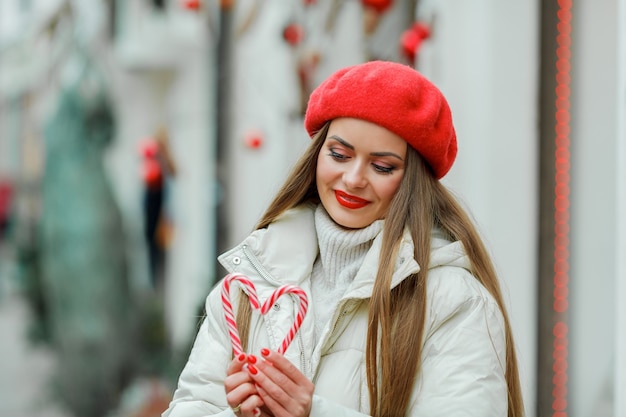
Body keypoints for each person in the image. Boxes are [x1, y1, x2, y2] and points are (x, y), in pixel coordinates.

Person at [163, 60, 524, 417]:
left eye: (382, 166)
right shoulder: (250, 285)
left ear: (414, 181)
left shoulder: (455, 302)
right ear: (317, 155)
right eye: (339, 154)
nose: (353, 178)